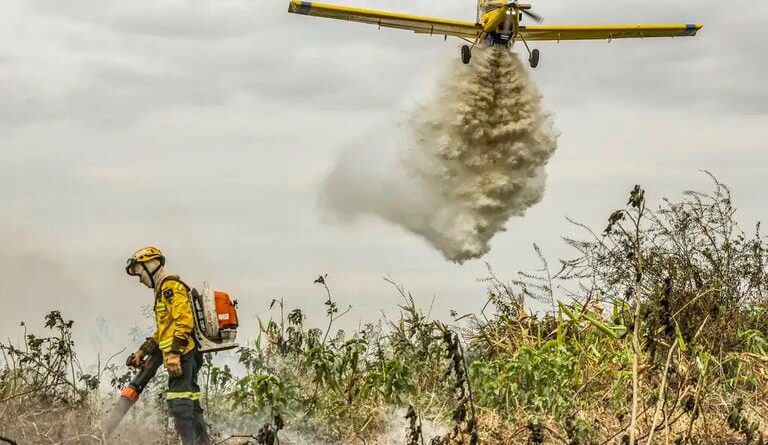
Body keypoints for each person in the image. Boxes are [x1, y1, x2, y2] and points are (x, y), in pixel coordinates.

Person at [125, 246, 211, 445]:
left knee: (179, 403)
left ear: (149, 265)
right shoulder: (163, 289)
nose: (140, 279)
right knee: (191, 404)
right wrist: (143, 350)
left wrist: (172, 353)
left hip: (182, 355)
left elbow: (184, 321)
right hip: (183, 354)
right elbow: (164, 331)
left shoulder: (170, 287)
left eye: (139, 273)